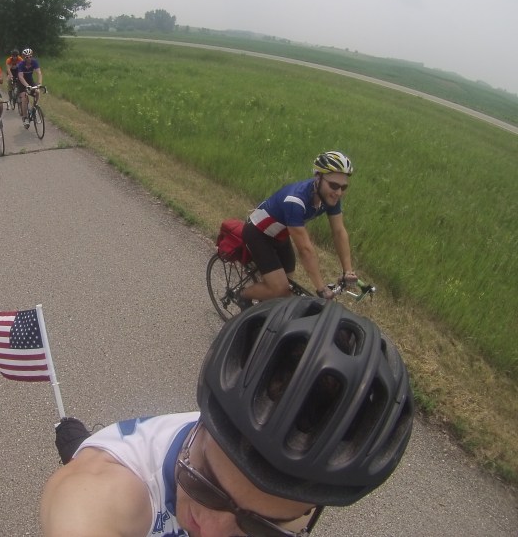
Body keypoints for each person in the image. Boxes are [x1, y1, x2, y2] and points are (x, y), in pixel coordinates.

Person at [41, 297, 414, 537]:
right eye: (203, 482)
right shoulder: (110, 489)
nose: (210, 531)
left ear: (311, 510)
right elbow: (83, 510)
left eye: (262, 527)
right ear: (200, 428)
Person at [238, 151, 358, 309]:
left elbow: (339, 232)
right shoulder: (295, 201)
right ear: (318, 177)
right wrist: (321, 288)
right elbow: (305, 250)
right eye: (334, 185)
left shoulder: (329, 197)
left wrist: (348, 271)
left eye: (344, 187)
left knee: (288, 285)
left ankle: (264, 306)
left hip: (280, 235)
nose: (338, 192)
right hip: (258, 234)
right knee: (280, 289)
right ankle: (242, 295)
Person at [16, 48, 43, 128]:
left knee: (37, 92)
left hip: (30, 81)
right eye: (27, 57)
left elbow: (39, 73)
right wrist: (27, 86)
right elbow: (21, 76)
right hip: (22, 83)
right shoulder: (21, 64)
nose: (29, 58)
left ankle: (34, 107)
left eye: (30, 56)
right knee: (24, 97)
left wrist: (39, 84)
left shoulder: (34, 62)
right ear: (23, 57)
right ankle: (25, 117)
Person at [5, 49, 23, 114]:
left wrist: (21, 76)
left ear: (18, 55)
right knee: (9, 80)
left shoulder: (20, 59)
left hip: (17, 71)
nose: (15, 57)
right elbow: (8, 69)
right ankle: (10, 97)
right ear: (11, 55)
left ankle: (19, 92)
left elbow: (22, 68)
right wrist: (11, 76)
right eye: (13, 56)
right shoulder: (8, 60)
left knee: (20, 80)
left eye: (16, 56)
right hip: (11, 72)